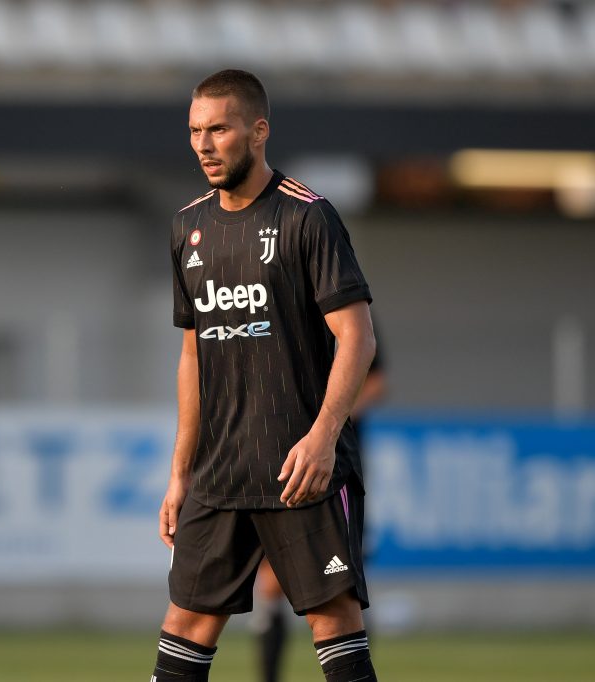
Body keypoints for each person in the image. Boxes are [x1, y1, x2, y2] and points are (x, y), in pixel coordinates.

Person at [149, 69, 379, 682]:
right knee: (185, 628)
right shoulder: (185, 228)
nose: (203, 144)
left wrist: (323, 437)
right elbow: (193, 356)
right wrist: (179, 473)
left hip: (298, 467)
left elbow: (357, 337)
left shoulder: (309, 218)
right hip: (219, 471)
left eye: (218, 129)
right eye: (195, 131)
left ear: (258, 131)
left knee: (334, 623)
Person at [253, 340, 387, 682]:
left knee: (343, 589)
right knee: (270, 582)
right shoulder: (278, 314)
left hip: (333, 466)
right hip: (276, 461)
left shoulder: (348, 313)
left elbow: (375, 381)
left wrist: (326, 423)